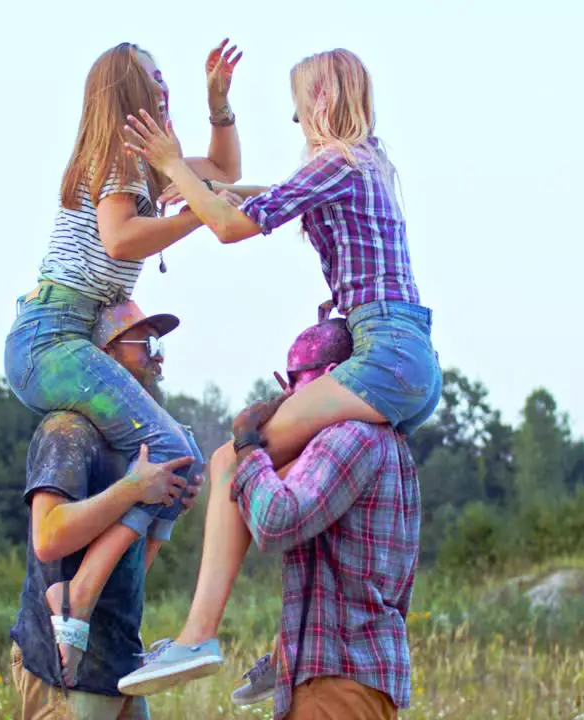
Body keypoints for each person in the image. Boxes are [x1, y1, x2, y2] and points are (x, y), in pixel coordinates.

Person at [118, 47, 441, 684]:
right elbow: (263, 194)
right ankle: (291, 649)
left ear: (319, 100)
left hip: (384, 356)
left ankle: (197, 638)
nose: (295, 124)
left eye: (297, 109)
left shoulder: (336, 162)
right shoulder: (366, 164)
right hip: (403, 355)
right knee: (290, 471)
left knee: (233, 459)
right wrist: (195, 160)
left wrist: (168, 164)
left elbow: (232, 227)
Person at [3, 39, 241, 685]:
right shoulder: (114, 158)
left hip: (71, 334)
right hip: (52, 337)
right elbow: (120, 237)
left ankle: (104, 598)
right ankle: (76, 598)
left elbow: (222, 167)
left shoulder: (144, 165)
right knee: (169, 448)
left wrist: (219, 105)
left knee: (182, 459)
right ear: (127, 94)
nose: (165, 88)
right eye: (154, 79)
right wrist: (199, 216)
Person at [122, 315, 421, 720]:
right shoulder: (380, 438)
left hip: (337, 678)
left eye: (294, 380)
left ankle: (197, 637)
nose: (287, 396)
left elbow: (276, 523)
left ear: (331, 377)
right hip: (346, 674)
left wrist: (246, 446)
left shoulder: (350, 435)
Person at [10, 299, 204, 720]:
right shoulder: (68, 430)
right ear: (104, 356)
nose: (157, 358)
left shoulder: (138, 440)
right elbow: (48, 537)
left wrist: (164, 506)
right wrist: (134, 489)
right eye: (145, 343)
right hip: (65, 673)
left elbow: (132, 571)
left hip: (119, 663)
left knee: (191, 455)